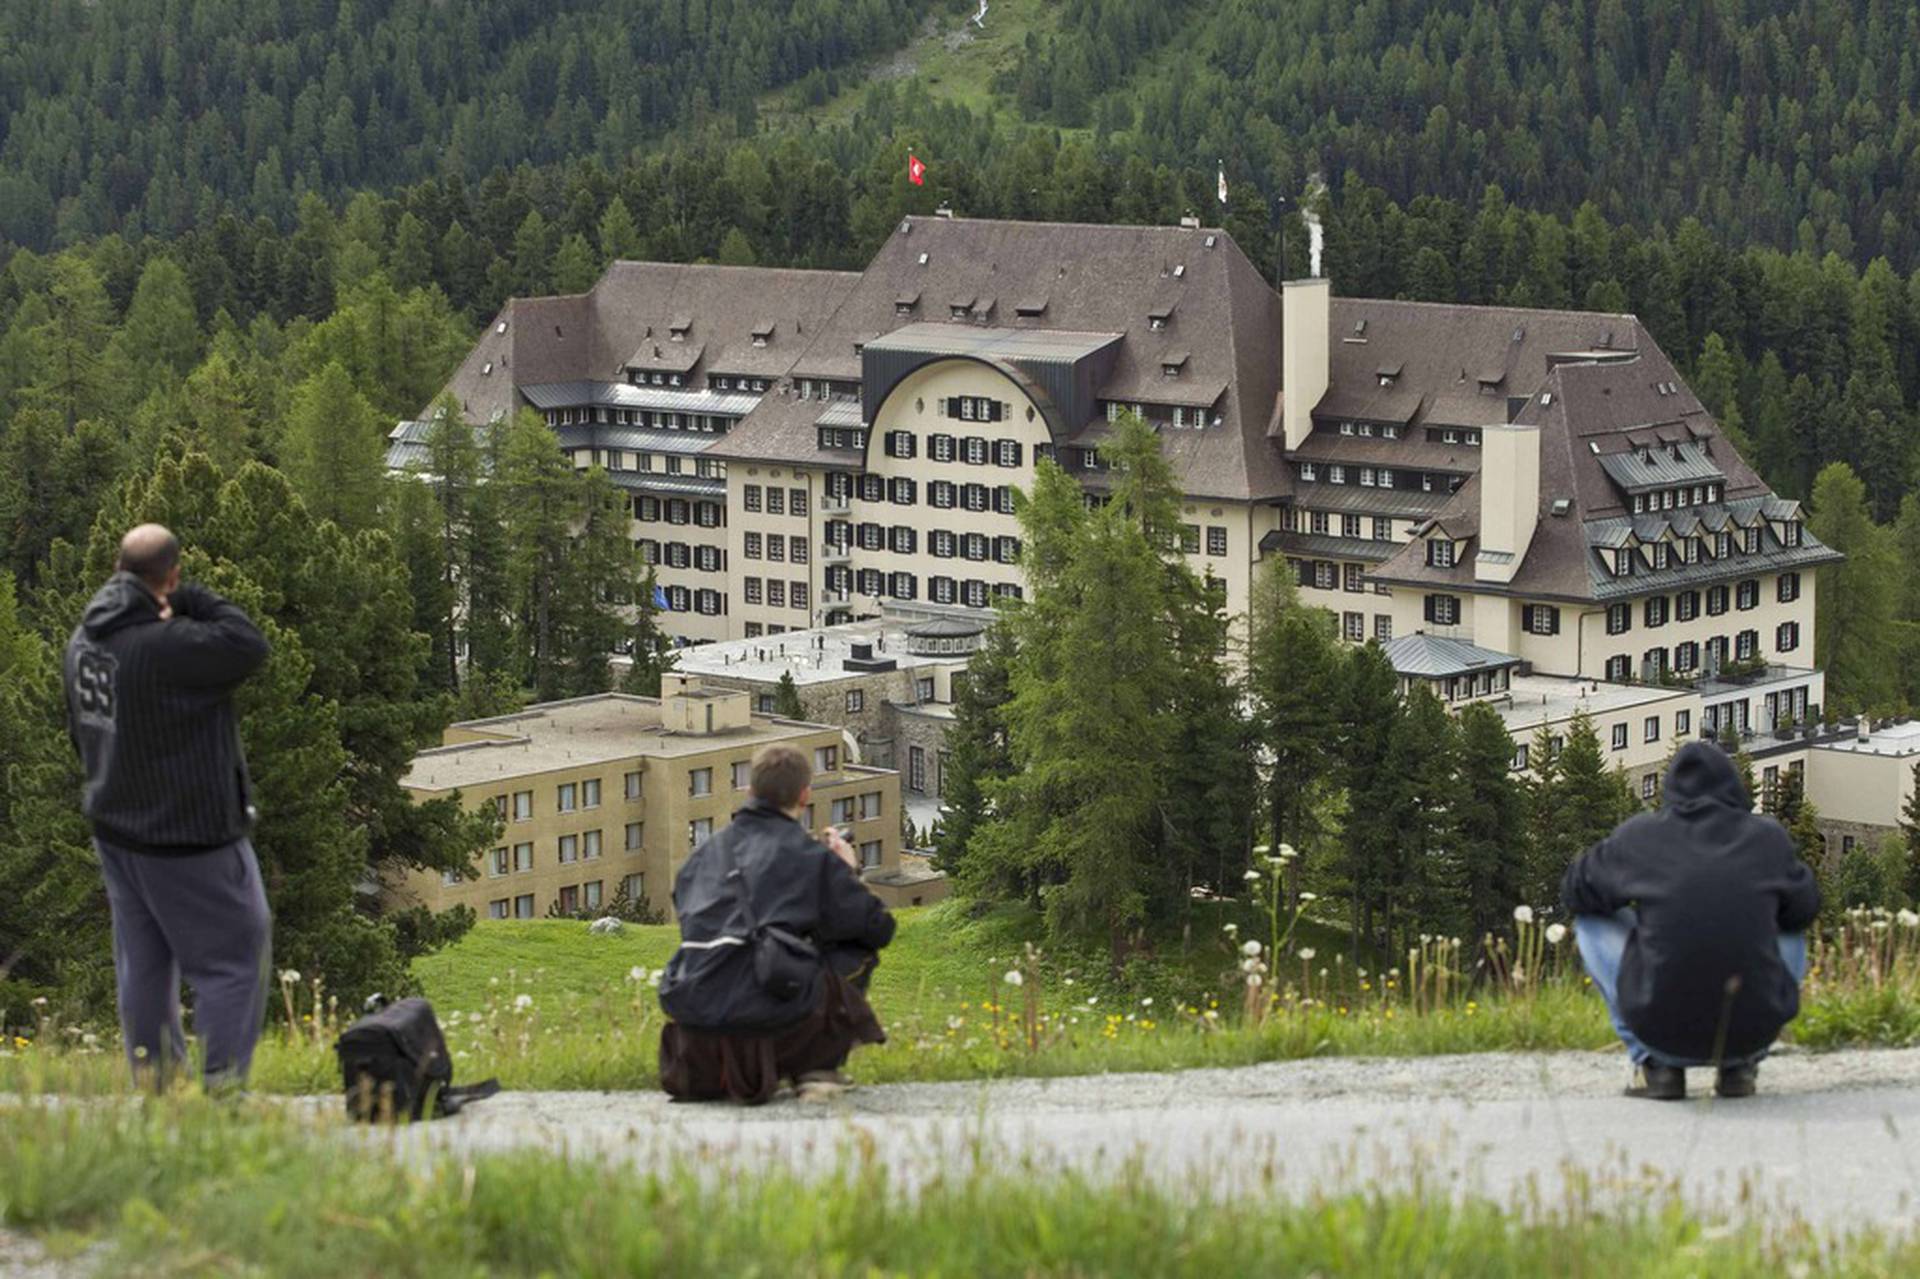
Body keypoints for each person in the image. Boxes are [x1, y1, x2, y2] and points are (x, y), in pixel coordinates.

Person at [63, 524, 273, 1089]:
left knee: (144, 966)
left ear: (116, 569)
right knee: (233, 960)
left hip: (117, 828)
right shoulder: (170, 646)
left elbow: (78, 732)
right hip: (188, 835)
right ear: (171, 576)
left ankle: (158, 1092)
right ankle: (222, 1097)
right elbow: (247, 642)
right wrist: (186, 597)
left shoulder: (84, 642)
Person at [1561, 740, 1820, 1101]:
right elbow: (1806, 908)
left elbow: (1576, 893)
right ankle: (1740, 1067)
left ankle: (1653, 1065)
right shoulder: (1767, 838)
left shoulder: (1643, 836)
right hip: (1751, 1032)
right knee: (1789, 925)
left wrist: (1644, 911)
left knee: (1591, 922)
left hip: (1661, 1031)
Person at [657, 742, 896, 1104]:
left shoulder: (700, 857)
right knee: (855, 947)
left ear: (749, 792)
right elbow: (877, 927)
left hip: (695, 1045)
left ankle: (740, 1067)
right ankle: (816, 1067)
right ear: (805, 796)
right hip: (778, 1034)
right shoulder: (810, 857)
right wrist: (848, 872)